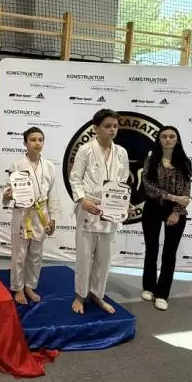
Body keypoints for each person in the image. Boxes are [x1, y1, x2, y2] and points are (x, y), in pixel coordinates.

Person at [69, 109, 130, 315]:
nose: (112, 130)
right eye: (107, 126)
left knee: (104, 258)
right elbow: (75, 178)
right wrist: (82, 200)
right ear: (96, 128)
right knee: (84, 256)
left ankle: (97, 294)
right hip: (89, 206)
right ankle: (80, 295)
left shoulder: (121, 152)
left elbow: (123, 181)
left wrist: (123, 202)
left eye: (115, 126)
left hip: (110, 208)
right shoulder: (85, 150)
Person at [2, 127, 60, 305]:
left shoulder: (49, 166)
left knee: (36, 254)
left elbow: (53, 194)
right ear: (25, 143)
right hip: (22, 213)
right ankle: (18, 287)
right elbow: (6, 189)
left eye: (40, 140)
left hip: (41, 214)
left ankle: (29, 286)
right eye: (33, 140)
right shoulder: (17, 165)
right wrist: (8, 194)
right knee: (19, 254)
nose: (37, 143)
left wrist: (53, 218)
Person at [140, 126, 192, 311]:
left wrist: (177, 211)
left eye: (172, 136)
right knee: (151, 249)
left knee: (169, 253)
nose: (168, 139)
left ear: (177, 140)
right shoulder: (151, 160)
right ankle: (149, 287)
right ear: (159, 139)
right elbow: (148, 187)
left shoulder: (185, 162)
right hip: (153, 207)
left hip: (175, 211)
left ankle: (162, 294)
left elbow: (186, 192)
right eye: (164, 136)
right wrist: (173, 197)